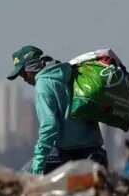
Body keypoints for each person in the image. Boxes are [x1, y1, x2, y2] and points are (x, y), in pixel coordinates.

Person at [7, 44, 107, 175]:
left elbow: (49, 126)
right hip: (95, 153)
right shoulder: (69, 73)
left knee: (21, 180)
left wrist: (38, 165)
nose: (24, 79)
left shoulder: (43, 85)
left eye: (23, 74)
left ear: (31, 67)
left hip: (66, 154)